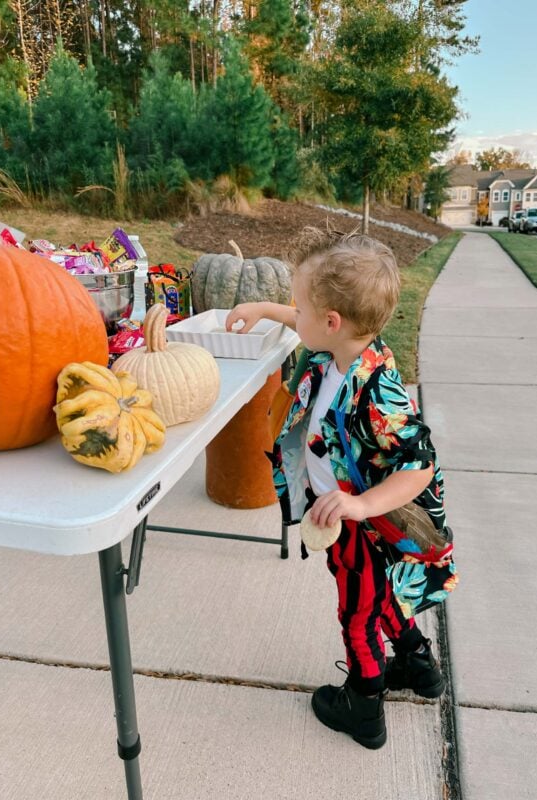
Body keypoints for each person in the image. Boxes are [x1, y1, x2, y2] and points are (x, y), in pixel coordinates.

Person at [225, 228, 457, 750]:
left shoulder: (379, 391)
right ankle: (419, 668)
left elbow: (420, 464)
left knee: (357, 614)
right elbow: (308, 326)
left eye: (298, 306)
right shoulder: (342, 349)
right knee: (380, 598)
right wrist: (265, 307)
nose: (294, 313)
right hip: (353, 518)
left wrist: (360, 504)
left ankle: (364, 703)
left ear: (331, 321)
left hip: (366, 527)